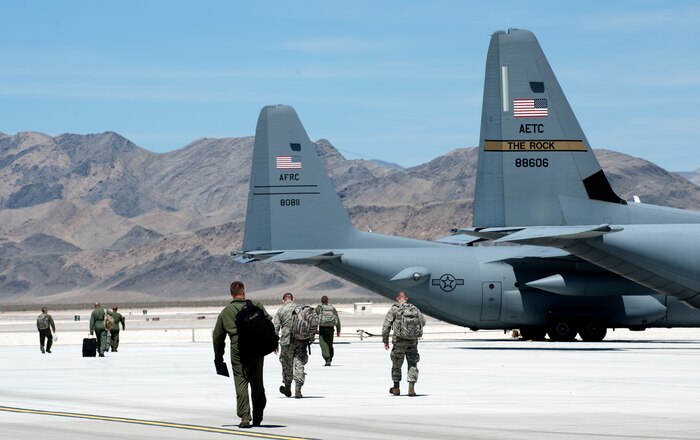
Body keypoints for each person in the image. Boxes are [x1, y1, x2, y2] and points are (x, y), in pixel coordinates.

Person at [213, 280, 271, 428]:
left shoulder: (226, 312)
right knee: (257, 383)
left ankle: (245, 417)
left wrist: (218, 357)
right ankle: (258, 416)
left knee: (241, 382)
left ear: (231, 294)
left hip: (237, 349)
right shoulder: (256, 306)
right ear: (244, 292)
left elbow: (218, 337)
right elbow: (269, 324)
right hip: (257, 349)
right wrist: (270, 344)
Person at [382, 291, 426, 397]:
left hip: (398, 341)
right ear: (406, 298)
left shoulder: (394, 309)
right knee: (412, 364)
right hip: (412, 342)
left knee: (397, 364)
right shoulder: (414, 309)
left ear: (398, 298)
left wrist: (385, 340)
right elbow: (423, 322)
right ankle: (411, 388)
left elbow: (386, 326)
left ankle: (396, 388)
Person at [273, 292, 308, 399]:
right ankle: (298, 389)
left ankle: (287, 387)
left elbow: (276, 327)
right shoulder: (300, 309)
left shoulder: (281, 310)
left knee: (287, 364)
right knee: (299, 363)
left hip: (286, 341)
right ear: (293, 299)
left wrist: (274, 343)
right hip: (300, 340)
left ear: (283, 300)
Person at [315, 295, 341, 366]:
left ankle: (327, 359)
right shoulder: (332, 308)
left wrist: (314, 329)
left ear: (321, 300)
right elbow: (337, 320)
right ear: (328, 300)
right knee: (330, 344)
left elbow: (313, 320)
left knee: (323, 345)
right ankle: (330, 358)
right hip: (331, 329)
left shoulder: (318, 308)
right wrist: (338, 330)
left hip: (322, 329)